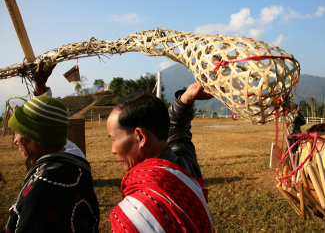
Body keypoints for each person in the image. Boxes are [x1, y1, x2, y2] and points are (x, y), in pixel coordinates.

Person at [3, 61, 99, 232]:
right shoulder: (72, 160)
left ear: (37, 138)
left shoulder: (41, 190)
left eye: (18, 133)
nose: (15, 140)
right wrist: (40, 87)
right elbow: (48, 126)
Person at [108, 83, 214, 232]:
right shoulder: (186, 167)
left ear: (140, 137)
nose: (113, 150)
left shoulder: (135, 213)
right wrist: (185, 100)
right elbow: (178, 129)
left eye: (113, 139)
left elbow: (177, 129)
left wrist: (185, 100)